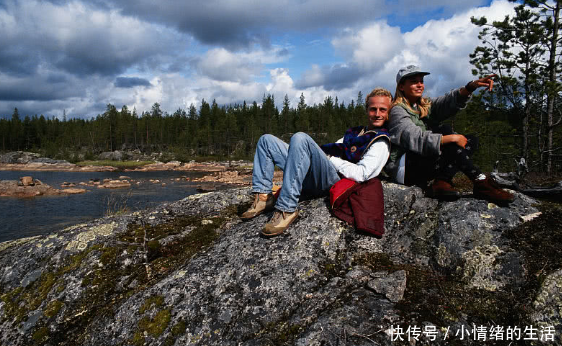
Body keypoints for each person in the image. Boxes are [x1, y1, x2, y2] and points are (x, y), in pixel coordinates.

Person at [241, 88, 392, 237]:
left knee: (300, 138)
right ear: (367, 110)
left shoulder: (381, 141)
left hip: (334, 180)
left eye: (382, 110)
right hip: (322, 173)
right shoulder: (356, 132)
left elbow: (362, 174)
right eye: (373, 109)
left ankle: (287, 209)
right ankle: (263, 197)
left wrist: (330, 160)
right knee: (266, 141)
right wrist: (324, 157)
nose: (377, 114)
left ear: (388, 113)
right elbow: (336, 147)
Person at [384, 65, 514, 203]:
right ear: (401, 87)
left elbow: (445, 103)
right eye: (414, 81)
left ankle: (442, 181)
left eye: (421, 81)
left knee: (470, 140)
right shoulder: (397, 110)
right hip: (404, 170)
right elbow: (415, 138)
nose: (420, 85)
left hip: (419, 162)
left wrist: (469, 88)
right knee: (447, 134)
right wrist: (450, 138)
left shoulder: (421, 106)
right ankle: (480, 180)